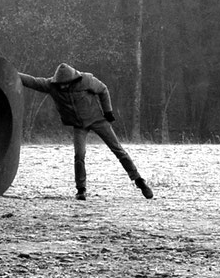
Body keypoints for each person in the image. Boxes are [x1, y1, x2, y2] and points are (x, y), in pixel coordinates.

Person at [19, 63, 153, 200]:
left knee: (118, 150)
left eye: (66, 83)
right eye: (61, 84)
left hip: (98, 120)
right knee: (79, 155)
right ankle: (81, 189)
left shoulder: (87, 80)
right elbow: (32, 81)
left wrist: (108, 111)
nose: (63, 86)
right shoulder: (51, 85)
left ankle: (139, 181)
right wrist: (11, 73)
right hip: (79, 125)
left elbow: (103, 89)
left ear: (73, 79)